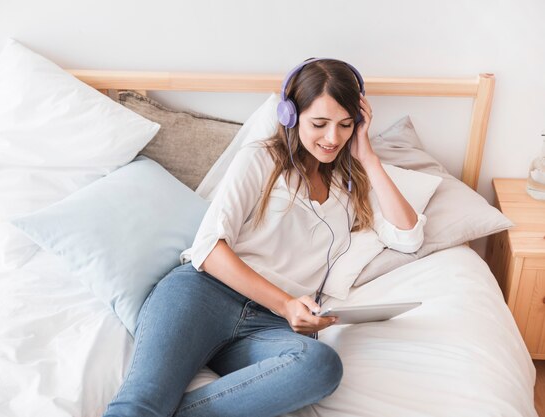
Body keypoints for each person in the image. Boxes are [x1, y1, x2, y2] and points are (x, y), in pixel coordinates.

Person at [103, 58, 425, 417]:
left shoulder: (350, 186)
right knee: (143, 402)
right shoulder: (260, 159)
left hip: (268, 326)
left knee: (319, 365)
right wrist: (287, 303)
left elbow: (408, 237)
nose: (333, 138)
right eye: (319, 124)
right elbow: (209, 249)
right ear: (290, 114)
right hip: (202, 296)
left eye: (346, 125)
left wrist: (368, 156)